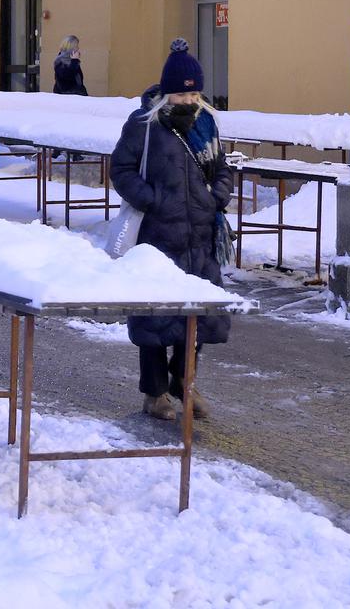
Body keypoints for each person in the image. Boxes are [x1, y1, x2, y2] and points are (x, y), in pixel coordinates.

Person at [110, 38, 234, 423]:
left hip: (201, 237)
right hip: (159, 237)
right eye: (183, 94)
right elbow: (121, 170)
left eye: (195, 92)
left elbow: (223, 168)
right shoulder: (144, 125)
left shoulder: (207, 123)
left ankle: (185, 383)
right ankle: (155, 393)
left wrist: (218, 196)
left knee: (198, 315)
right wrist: (152, 199)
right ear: (167, 93)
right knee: (155, 317)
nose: (189, 100)